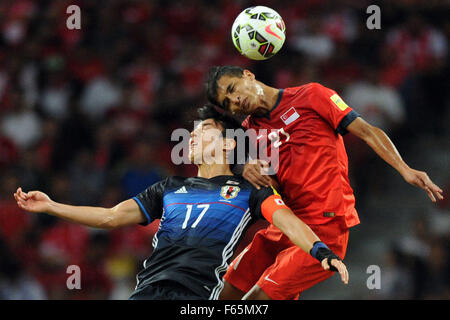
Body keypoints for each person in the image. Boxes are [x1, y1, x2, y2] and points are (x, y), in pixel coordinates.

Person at [13, 104, 348, 300]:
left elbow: (287, 222)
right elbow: (111, 217)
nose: (193, 136)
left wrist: (321, 253)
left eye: (204, 130)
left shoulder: (249, 190)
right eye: (193, 131)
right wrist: (52, 205)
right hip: (147, 290)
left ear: (230, 145)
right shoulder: (169, 187)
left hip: (196, 296)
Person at [205, 65, 444, 300]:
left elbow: (368, 131)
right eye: (228, 102)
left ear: (248, 75)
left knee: (257, 299)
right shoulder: (246, 133)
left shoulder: (311, 95)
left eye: (233, 89)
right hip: (284, 225)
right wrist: (243, 168)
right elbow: (229, 176)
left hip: (325, 227)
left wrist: (404, 168)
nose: (235, 100)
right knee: (223, 292)